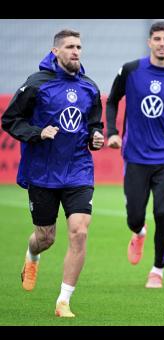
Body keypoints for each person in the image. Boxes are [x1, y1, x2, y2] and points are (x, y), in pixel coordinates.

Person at [1, 29, 104, 317]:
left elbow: (94, 124)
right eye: (70, 46)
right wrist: (37, 132)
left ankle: (63, 301)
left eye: (79, 46)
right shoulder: (36, 84)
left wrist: (96, 136)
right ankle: (32, 255)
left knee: (80, 232)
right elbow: (10, 120)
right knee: (45, 238)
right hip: (43, 173)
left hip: (78, 171)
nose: (76, 51)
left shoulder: (89, 87)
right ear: (56, 51)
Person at [106, 21, 164, 288]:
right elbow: (111, 100)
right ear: (149, 42)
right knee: (134, 215)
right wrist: (112, 131)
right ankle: (139, 232)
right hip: (134, 156)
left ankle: (157, 270)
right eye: (157, 38)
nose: (162, 43)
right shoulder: (131, 71)